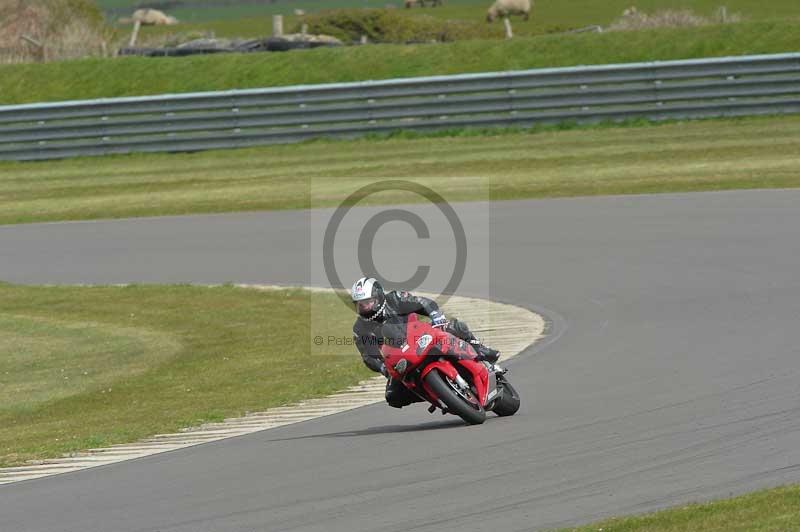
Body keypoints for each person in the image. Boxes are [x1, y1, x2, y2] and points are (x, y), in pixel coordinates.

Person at [350, 276, 500, 409]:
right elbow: (369, 356)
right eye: (360, 304)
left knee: (455, 327)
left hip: (421, 336)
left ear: (379, 297)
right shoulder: (360, 328)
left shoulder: (395, 298)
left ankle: (480, 348)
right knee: (393, 396)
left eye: (368, 302)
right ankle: (437, 394)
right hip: (401, 358)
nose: (364, 307)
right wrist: (383, 367)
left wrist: (436, 317)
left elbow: (423, 303)